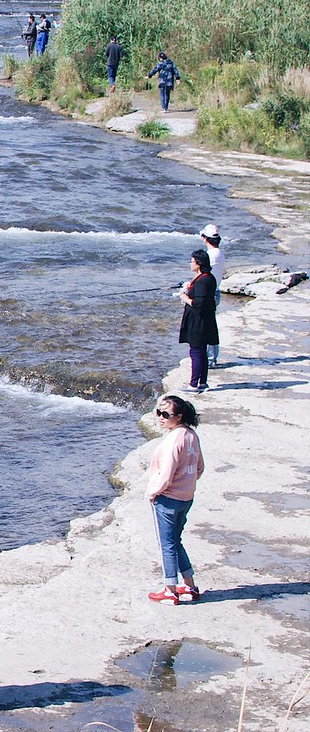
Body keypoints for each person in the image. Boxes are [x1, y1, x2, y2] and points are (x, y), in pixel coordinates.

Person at [146, 394, 205, 604]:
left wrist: (153, 492)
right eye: (158, 413)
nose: (160, 418)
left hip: (168, 498)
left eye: (165, 414)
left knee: (167, 545)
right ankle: (190, 586)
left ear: (178, 417)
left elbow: (166, 473)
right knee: (176, 541)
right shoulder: (191, 435)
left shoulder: (173, 440)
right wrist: (187, 483)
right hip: (186, 498)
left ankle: (170, 590)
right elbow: (200, 468)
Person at [178, 248, 219, 393]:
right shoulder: (208, 277)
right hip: (205, 321)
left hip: (198, 322)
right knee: (201, 351)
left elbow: (199, 304)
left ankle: (194, 384)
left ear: (199, 264)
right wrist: (190, 287)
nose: (190, 264)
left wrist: (185, 297)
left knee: (196, 351)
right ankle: (203, 382)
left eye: (192, 262)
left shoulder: (203, 281)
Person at [199, 224, 225, 367]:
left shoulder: (209, 256)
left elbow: (203, 277)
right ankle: (211, 358)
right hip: (215, 292)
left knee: (206, 327)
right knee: (210, 325)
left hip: (208, 294)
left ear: (204, 238)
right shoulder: (219, 253)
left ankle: (209, 359)